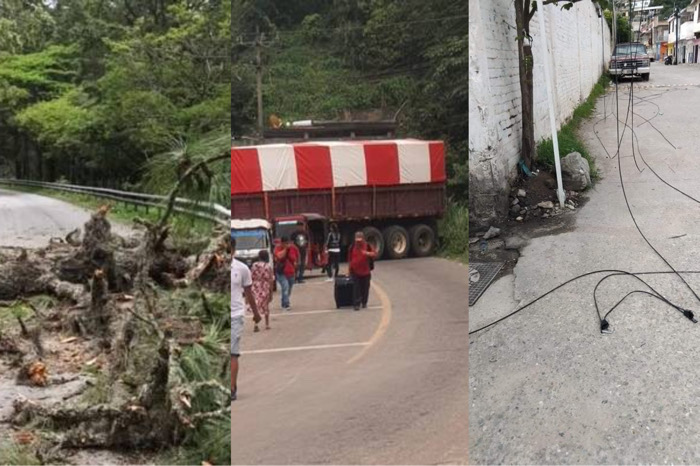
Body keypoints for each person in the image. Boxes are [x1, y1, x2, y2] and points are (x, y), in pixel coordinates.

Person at [231, 236, 261, 402]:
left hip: (235, 315)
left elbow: (249, 293)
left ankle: (232, 388)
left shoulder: (242, 269)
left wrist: (256, 314)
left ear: (233, 250)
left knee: (232, 353)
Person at [347, 231, 377, 311]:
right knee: (356, 288)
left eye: (360, 241)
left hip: (366, 271)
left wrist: (367, 253)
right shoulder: (352, 247)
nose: (358, 242)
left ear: (363, 239)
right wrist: (349, 270)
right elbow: (350, 259)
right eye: (357, 241)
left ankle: (364, 302)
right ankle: (356, 304)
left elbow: (374, 254)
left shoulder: (367, 246)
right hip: (355, 271)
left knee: (365, 288)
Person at [247, 249, 275, 331]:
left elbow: (250, 276)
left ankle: (256, 324)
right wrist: (271, 292)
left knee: (256, 305)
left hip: (255, 286)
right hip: (264, 286)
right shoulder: (268, 266)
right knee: (266, 305)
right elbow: (270, 279)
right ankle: (267, 324)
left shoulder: (254, 265)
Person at [274, 236, 299, 310]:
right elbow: (279, 256)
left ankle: (284, 301)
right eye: (285, 243)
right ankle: (286, 304)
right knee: (285, 287)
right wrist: (285, 249)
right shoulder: (278, 248)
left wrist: (296, 264)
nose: (287, 244)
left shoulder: (293, 248)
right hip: (281, 272)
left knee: (289, 289)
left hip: (291, 272)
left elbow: (296, 258)